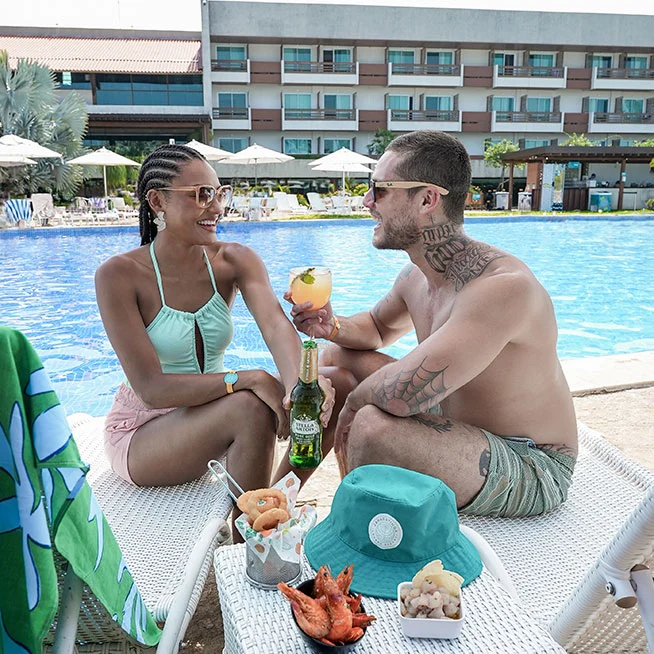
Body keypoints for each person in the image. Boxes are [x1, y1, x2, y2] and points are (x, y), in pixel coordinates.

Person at [287, 130, 577, 518]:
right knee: (336, 360)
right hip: (459, 426)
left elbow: (403, 396)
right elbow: (375, 328)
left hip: (528, 461)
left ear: (427, 199)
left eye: (380, 189)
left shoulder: (503, 289)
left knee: (371, 425)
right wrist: (331, 326)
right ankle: (270, 503)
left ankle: (351, 531)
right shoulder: (416, 277)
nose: (366, 201)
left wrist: (351, 409)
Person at [95, 144, 335, 540]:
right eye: (201, 195)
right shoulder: (118, 275)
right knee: (249, 406)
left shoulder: (234, 261)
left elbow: (275, 326)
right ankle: (250, 545)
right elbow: (152, 390)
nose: (217, 207)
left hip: (208, 418)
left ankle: (267, 510)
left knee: (327, 391)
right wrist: (248, 378)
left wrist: (300, 388)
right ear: (158, 202)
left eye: (220, 192)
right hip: (143, 434)